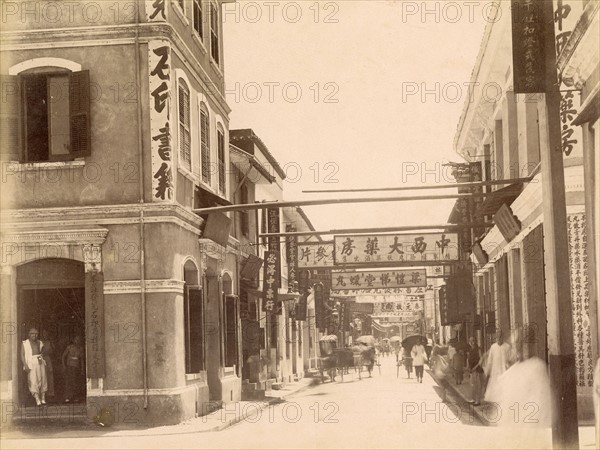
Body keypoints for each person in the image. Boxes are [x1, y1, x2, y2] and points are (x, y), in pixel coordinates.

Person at [21, 328, 47, 406]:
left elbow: (42, 351)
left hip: (40, 361)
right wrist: (25, 365)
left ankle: (43, 398)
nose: (34, 335)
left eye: (36, 333)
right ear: (29, 334)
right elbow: (22, 355)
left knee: (43, 379)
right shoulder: (25, 343)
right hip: (31, 363)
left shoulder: (40, 342)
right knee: (33, 380)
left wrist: (41, 356)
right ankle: (37, 399)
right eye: (32, 333)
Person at [483, 331, 511, 403]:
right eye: (498, 336)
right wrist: (487, 371)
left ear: (503, 337)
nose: (499, 338)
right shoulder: (493, 347)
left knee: (504, 389)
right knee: (495, 389)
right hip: (495, 371)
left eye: (501, 336)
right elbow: (489, 360)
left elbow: (510, 359)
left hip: (504, 371)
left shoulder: (507, 347)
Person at [62, 335, 84, 403]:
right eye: (76, 339)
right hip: (69, 367)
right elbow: (63, 356)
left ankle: (75, 397)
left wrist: (82, 369)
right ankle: (67, 397)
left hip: (76, 367)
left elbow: (82, 360)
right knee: (68, 382)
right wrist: (64, 366)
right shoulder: (69, 347)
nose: (77, 341)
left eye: (78, 340)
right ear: (74, 340)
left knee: (76, 382)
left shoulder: (80, 348)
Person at [467, 337, 484, 406]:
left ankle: (478, 401)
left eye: (473, 341)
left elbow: (481, 360)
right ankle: (473, 399)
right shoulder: (470, 349)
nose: (471, 342)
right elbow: (468, 359)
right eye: (470, 341)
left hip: (477, 369)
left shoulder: (478, 349)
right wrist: (468, 367)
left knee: (477, 386)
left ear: (475, 341)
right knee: (472, 385)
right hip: (471, 370)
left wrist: (475, 367)